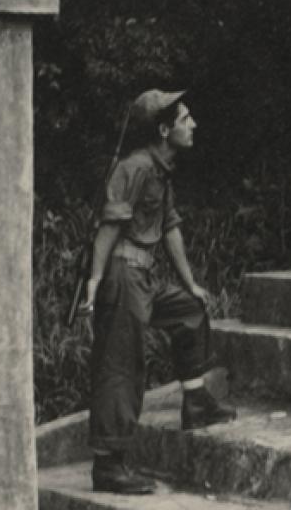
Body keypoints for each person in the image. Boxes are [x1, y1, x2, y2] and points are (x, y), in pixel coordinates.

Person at [81, 89, 237, 495]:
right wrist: (94, 284)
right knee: (122, 366)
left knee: (190, 310)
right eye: (186, 119)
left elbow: (170, 228)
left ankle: (196, 403)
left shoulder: (162, 170)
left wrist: (190, 283)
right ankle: (109, 465)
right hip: (122, 276)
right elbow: (109, 229)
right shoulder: (133, 168)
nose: (194, 125)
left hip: (146, 278)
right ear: (165, 129)